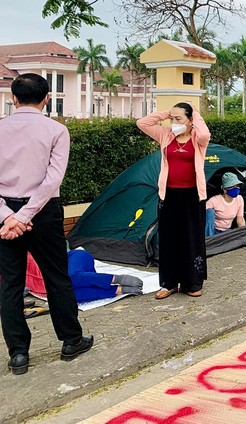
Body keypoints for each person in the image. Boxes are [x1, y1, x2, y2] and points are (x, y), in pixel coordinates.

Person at [0, 73, 93, 375]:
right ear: (47, 98)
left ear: (13, 98)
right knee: (56, 276)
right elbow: (53, 178)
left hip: (6, 214)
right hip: (43, 210)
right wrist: (25, 216)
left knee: (11, 283)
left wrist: (8, 216)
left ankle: (18, 355)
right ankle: (71, 340)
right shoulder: (56, 130)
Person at [137, 102, 210, 299]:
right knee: (169, 239)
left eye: (179, 119)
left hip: (193, 196)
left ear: (190, 120)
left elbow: (204, 133)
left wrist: (195, 114)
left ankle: (191, 283)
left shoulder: (197, 138)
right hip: (168, 195)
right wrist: (165, 113)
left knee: (191, 239)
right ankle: (168, 284)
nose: (174, 122)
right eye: (172, 119)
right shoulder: (166, 135)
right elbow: (142, 123)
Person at [25, 250, 144, 303]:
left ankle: (116, 278)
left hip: (75, 260)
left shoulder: (28, 253)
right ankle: (118, 290)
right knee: (65, 297)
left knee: (73, 276)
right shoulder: (13, 277)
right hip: (63, 283)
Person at [206, 172, 246, 237]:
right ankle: (209, 240)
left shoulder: (239, 199)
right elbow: (202, 213)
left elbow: (240, 219)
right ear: (224, 190)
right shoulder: (215, 200)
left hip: (226, 231)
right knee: (209, 212)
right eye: (232, 186)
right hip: (213, 230)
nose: (236, 189)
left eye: (237, 186)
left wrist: (244, 233)